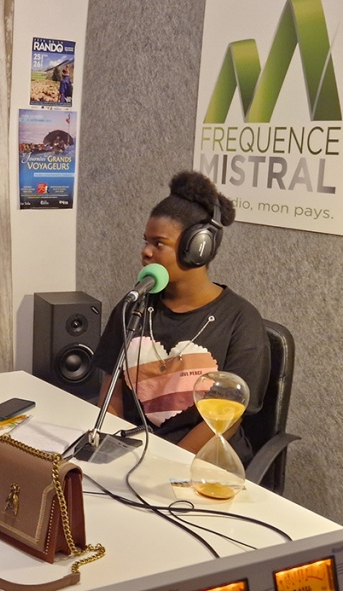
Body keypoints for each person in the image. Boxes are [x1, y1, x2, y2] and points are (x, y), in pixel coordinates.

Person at [93, 170, 270, 464]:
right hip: (133, 454)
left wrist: (163, 464)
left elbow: (227, 419)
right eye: (145, 241)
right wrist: (111, 452)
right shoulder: (134, 305)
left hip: (200, 463)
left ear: (198, 248)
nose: (145, 252)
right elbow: (113, 391)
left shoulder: (241, 320)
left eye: (158, 243)